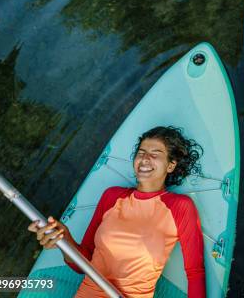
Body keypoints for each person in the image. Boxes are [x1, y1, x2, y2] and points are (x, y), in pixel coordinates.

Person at [28, 126, 206, 298]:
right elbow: (83, 264)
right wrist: (64, 239)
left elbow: (195, 272)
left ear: (170, 166)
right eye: (141, 152)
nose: (145, 158)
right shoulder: (112, 196)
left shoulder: (180, 206)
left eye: (155, 154)